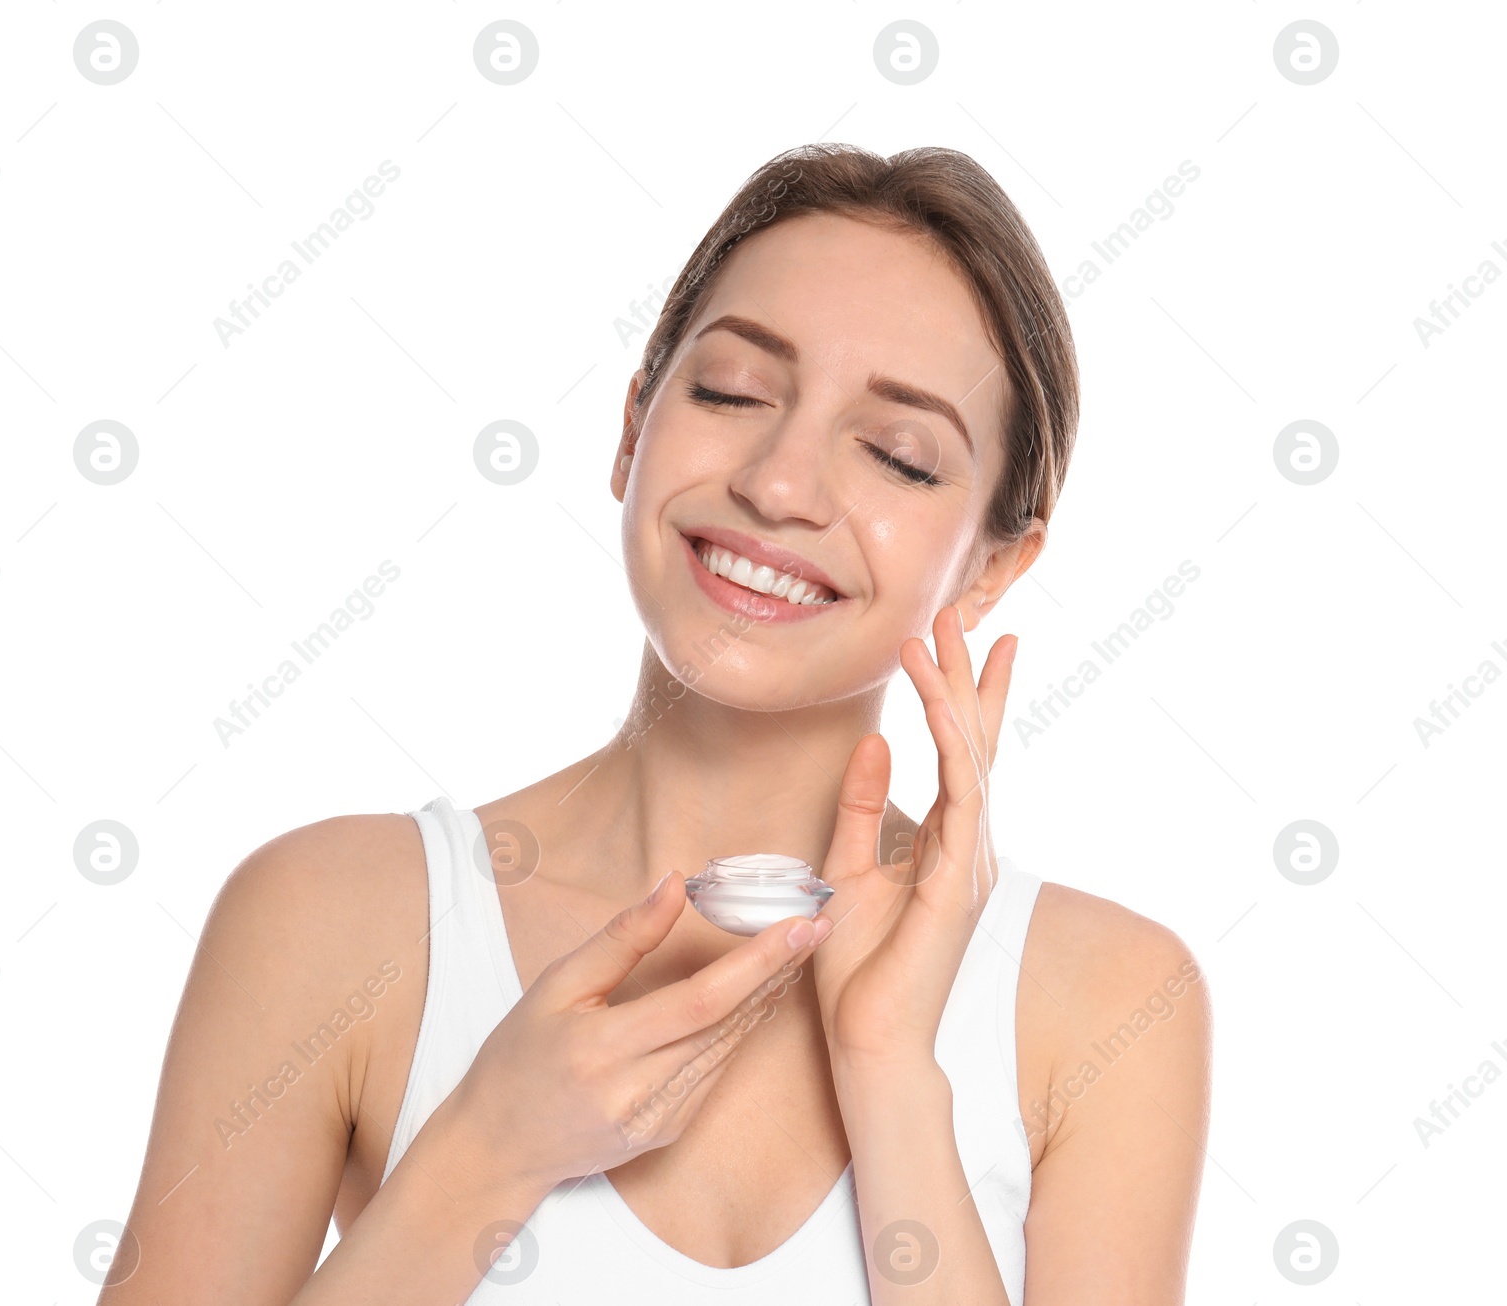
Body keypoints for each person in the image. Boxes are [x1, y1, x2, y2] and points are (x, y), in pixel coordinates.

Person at [101, 143, 1212, 1305]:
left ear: (992, 567)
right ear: (633, 425)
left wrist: (888, 1072)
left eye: (896, 454)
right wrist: (488, 1150)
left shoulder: (1111, 1004)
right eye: (731, 391)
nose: (779, 484)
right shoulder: (331, 922)